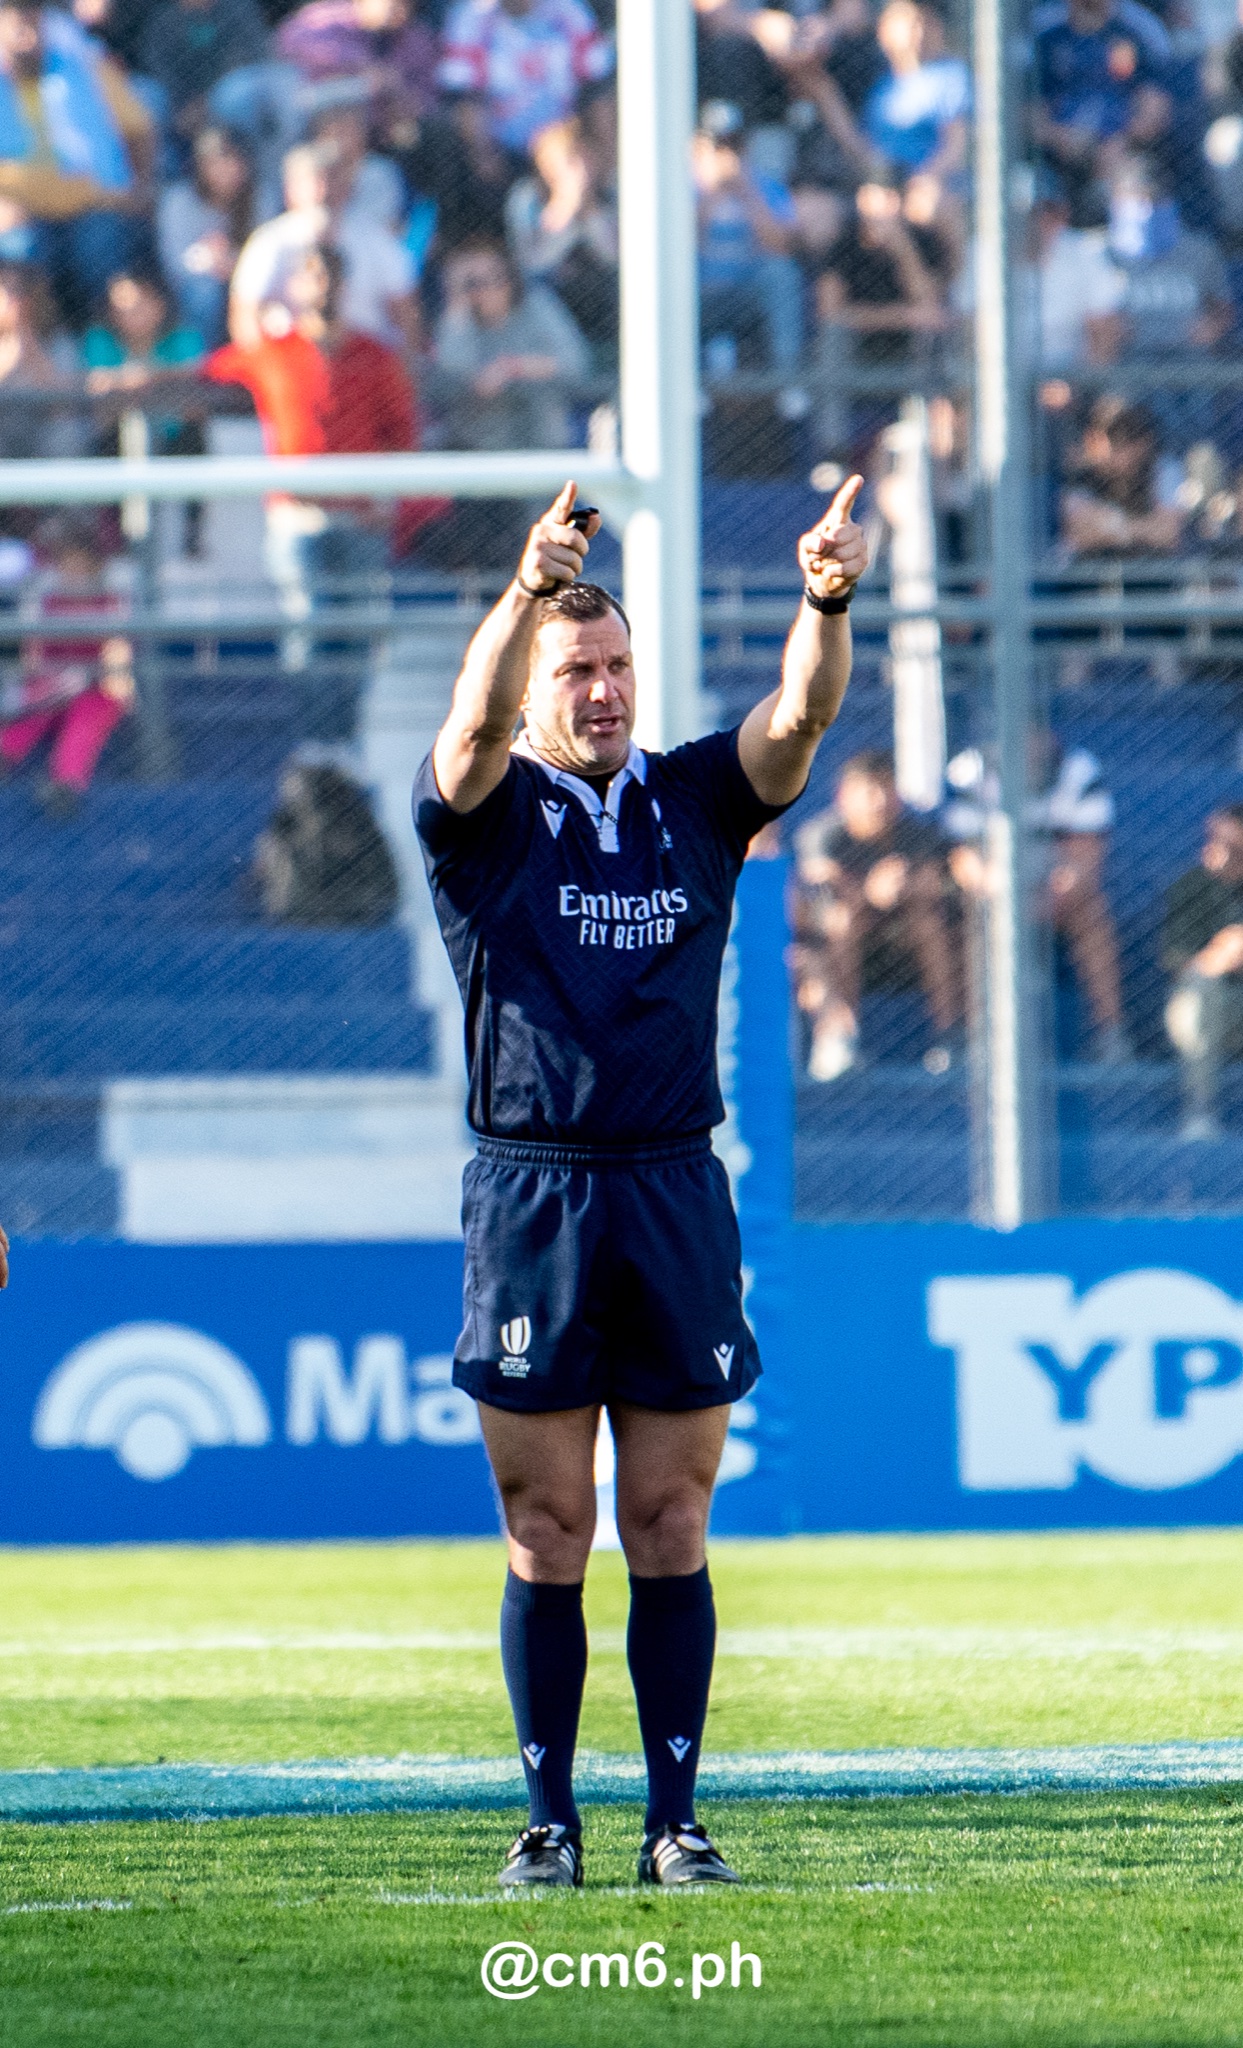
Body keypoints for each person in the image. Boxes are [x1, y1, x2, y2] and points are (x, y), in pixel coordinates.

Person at [412, 470, 868, 1888]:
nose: (601, 692)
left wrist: (823, 603)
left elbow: (795, 722)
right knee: (546, 1527)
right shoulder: (484, 817)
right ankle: (548, 1820)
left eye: (615, 667)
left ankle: (674, 1822)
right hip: (534, 1197)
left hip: (671, 1190)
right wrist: (526, 589)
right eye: (577, 668)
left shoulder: (686, 800)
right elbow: (474, 724)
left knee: (669, 1519)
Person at [944, 738, 1131, 1064]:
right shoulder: (968, 771)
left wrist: (1046, 899)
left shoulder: (1079, 770)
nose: (1027, 744)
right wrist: (1008, 900)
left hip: (1056, 898)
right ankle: (974, 1042)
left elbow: (1085, 865)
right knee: (970, 920)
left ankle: (1110, 1035)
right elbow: (964, 862)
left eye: (1034, 733)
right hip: (994, 897)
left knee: (1093, 913)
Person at [791, 749, 960, 1080]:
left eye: (887, 787)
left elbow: (937, 884)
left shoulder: (917, 832)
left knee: (931, 924)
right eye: (869, 790)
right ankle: (842, 1041)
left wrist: (908, 888)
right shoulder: (822, 835)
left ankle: (951, 1040)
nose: (880, 800)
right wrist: (871, 892)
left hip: (906, 951)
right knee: (842, 920)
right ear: (844, 797)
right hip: (843, 949)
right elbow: (821, 888)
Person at [0, 0, 151, 322]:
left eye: (33, 24)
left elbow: (139, 129)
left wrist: (140, 186)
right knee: (16, 249)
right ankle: (35, 351)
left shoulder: (85, 68)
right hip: (22, 213)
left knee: (101, 252)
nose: (26, 37)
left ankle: (99, 346)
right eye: (15, 26)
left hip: (93, 204)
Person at [0, 511, 134, 818]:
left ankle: (66, 785)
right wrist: (50, 681)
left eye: (79, 562)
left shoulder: (109, 600)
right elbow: (35, 656)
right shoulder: (47, 600)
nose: (72, 570)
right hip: (52, 684)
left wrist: (104, 680)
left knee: (87, 716)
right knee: (36, 708)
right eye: (66, 563)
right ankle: (5, 755)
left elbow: (117, 653)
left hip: (96, 687)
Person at [229, 138, 419, 353]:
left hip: (366, 363)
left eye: (332, 178)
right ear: (290, 189)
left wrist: (407, 370)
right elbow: (245, 315)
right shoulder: (268, 243)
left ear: (349, 186)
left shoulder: (376, 241)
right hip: (294, 363)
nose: (324, 189)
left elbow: (405, 311)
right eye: (313, 180)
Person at [693, 101, 803, 375]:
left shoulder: (764, 186)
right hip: (698, 293)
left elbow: (781, 247)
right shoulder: (682, 188)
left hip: (746, 294)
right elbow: (679, 250)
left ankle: (788, 380)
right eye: (718, 146)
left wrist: (747, 193)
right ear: (698, 148)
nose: (727, 155)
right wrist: (710, 196)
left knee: (782, 275)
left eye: (735, 145)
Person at [437, 0, 613, 157]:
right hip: (502, 154)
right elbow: (465, 99)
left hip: (565, 148)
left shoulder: (570, 9)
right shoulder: (472, 15)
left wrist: (604, 154)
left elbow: (597, 90)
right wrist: (485, 157)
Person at [1030, 0, 1173, 193]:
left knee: (1139, 182)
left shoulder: (1138, 29)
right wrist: (1061, 138)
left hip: (1123, 150)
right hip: (1058, 155)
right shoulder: (1044, 32)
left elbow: (1155, 108)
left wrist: (1121, 141)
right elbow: (1029, 111)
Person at [1164, 805, 1243, 1138]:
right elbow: (1179, 964)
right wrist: (1220, 955)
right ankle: (1200, 1111)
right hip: (1208, 1006)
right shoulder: (1191, 886)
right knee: (1202, 989)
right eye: (1212, 839)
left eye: (1231, 845)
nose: (1217, 850)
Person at [157, 124, 255, 347]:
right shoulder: (178, 200)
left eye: (232, 159)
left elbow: (268, 251)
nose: (226, 169)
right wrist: (210, 261)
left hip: (249, 281)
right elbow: (175, 264)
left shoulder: (261, 196)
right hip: (195, 289)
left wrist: (233, 263)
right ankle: (206, 370)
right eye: (215, 162)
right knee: (205, 295)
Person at [1060, 393, 1186, 554]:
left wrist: (1110, 525)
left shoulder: (1163, 468)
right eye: (1115, 441)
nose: (1134, 449)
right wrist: (1144, 528)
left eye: (1130, 440)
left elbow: (1167, 534)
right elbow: (1080, 535)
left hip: (1151, 568)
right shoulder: (1080, 474)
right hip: (1090, 570)